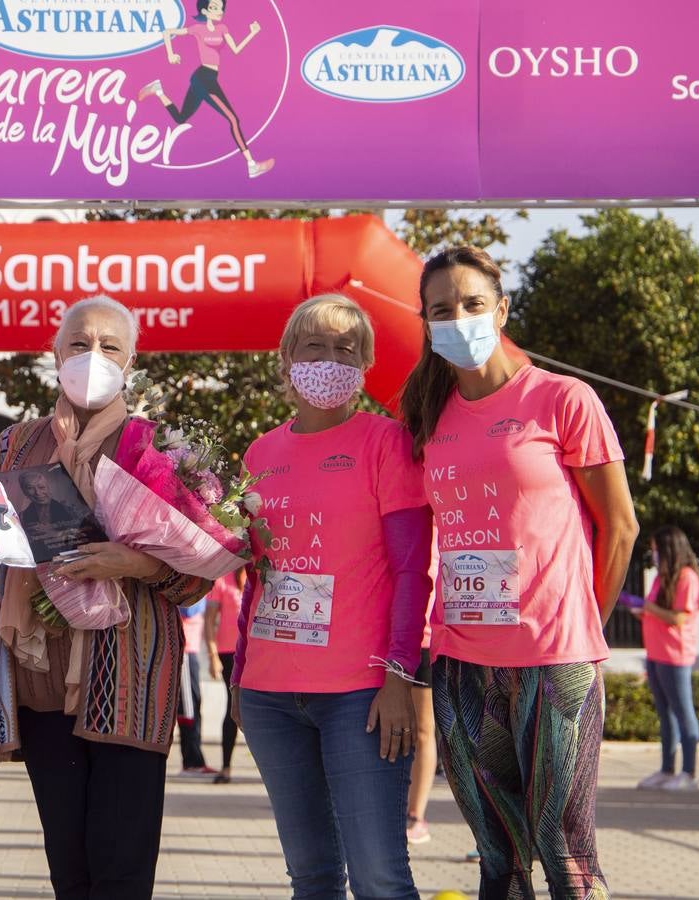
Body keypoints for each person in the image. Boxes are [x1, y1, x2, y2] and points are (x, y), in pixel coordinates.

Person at [399, 245, 639, 899]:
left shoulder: (563, 400)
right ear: (425, 322)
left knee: (567, 855)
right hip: (460, 667)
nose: (460, 318)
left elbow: (620, 527)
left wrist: (579, 628)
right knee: (496, 859)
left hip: (555, 663)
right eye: (442, 310)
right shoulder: (426, 416)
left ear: (501, 309)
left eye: (473, 304)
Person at [0, 295, 210, 900]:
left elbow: (198, 576)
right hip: (43, 689)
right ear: (55, 353)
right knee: (69, 871)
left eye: (109, 346)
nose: (92, 357)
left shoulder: (163, 452)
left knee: (121, 873)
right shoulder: (14, 448)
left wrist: (138, 562)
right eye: (78, 343)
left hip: (130, 683)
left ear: (131, 361)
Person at [231, 294, 431, 900]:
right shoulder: (260, 453)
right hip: (269, 695)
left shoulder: (387, 443)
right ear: (288, 358)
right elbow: (256, 577)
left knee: (379, 878)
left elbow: (412, 570)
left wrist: (400, 676)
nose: (329, 358)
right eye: (315, 346)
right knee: (311, 878)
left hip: (359, 696)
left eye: (346, 348)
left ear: (366, 363)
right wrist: (241, 675)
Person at [137, 0, 275, 178]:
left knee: (180, 118)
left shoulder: (223, 29)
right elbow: (168, 32)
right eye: (214, 7)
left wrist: (252, 33)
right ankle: (251, 164)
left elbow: (236, 49)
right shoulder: (198, 29)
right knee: (233, 119)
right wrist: (170, 54)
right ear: (205, 11)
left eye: (220, 8)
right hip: (203, 78)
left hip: (208, 78)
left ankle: (158, 90)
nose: (219, 11)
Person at [634, 525, 699, 791]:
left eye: (656, 549)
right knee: (665, 715)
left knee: (683, 713)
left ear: (669, 549)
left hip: (675, 657)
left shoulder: (687, 578)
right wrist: (643, 612)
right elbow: (657, 612)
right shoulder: (661, 578)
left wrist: (648, 607)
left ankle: (689, 773)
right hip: (655, 654)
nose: (653, 554)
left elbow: (678, 617)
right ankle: (667, 770)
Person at [406, 556, 440, 845]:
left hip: (429, 639)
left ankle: (416, 815)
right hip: (389, 637)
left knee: (423, 730)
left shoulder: (445, 520)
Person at [204, 569, 246, 784]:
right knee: (233, 706)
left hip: (255, 654)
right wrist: (212, 656)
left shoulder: (261, 572)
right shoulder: (222, 578)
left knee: (256, 709)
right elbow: (209, 621)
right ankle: (226, 767)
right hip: (228, 653)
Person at [177, 599, 216, 775]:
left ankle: (194, 760)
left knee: (193, 705)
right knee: (188, 709)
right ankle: (191, 761)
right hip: (184, 650)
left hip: (190, 650)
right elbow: (188, 610)